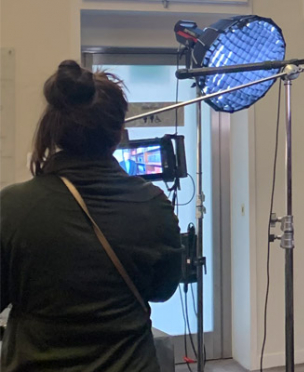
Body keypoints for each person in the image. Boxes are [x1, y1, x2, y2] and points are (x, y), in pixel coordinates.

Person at [0, 60, 183, 371]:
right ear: (119, 135)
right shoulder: (153, 204)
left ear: (54, 130)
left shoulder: (12, 207)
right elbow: (162, 290)